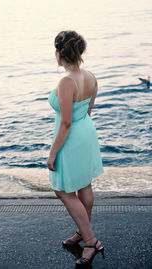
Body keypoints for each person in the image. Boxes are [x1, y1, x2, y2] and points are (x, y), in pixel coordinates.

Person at [47, 30, 105, 266]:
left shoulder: (65, 82)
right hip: (86, 133)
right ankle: (83, 231)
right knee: (84, 184)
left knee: (62, 190)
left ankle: (90, 241)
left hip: (70, 138)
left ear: (60, 54)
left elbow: (66, 121)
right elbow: (88, 109)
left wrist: (52, 153)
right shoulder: (91, 76)